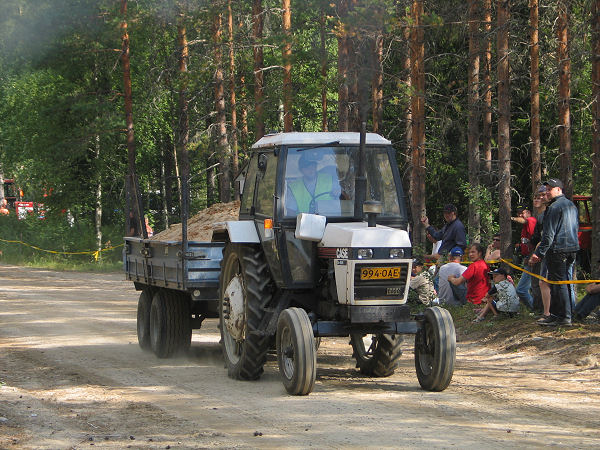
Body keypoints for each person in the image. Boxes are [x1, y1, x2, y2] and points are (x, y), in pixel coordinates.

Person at [529, 178, 579, 326]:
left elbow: (548, 235)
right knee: (563, 282)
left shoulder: (554, 207)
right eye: (547, 189)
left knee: (558, 284)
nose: (548, 192)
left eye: (550, 189)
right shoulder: (571, 205)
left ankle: (563, 317)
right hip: (572, 248)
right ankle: (559, 315)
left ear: (559, 189)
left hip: (558, 250)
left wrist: (539, 253)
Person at [529, 185, 551, 316]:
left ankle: (545, 311)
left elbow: (544, 237)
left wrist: (536, 253)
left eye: (540, 197)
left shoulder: (547, 214)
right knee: (536, 283)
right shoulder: (538, 216)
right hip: (535, 252)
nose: (537, 200)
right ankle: (539, 309)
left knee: (542, 282)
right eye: (535, 197)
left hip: (542, 254)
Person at [512, 207, 537, 311]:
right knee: (533, 288)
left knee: (521, 289)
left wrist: (531, 255)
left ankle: (535, 309)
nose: (520, 216)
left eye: (522, 213)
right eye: (518, 214)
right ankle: (537, 309)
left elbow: (535, 242)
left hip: (533, 259)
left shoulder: (531, 221)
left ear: (528, 212)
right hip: (527, 258)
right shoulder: (524, 227)